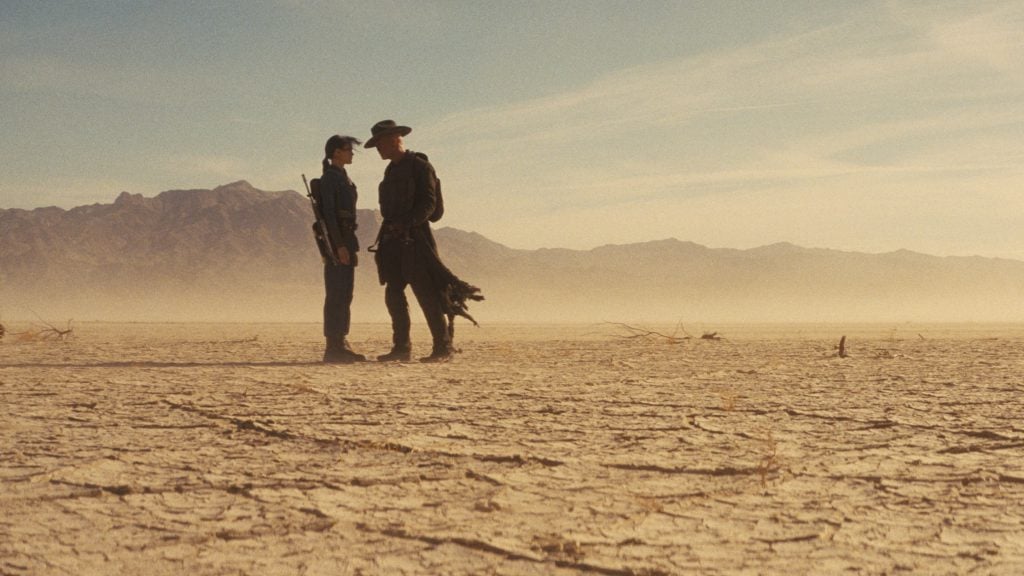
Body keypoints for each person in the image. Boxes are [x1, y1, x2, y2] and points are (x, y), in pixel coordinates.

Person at [365, 120, 452, 362]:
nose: (378, 149)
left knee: (426, 293)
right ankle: (401, 348)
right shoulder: (390, 171)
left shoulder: (420, 166)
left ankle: (443, 348)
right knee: (393, 293)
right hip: (391, 240)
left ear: (394, 140)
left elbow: (429, 204)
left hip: (416, 239)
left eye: (380, 143)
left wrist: (407, 224)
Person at [318, 134, 366, 363]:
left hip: (347, 239)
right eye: (348, 149)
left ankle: (340, 341)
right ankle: (334, 346)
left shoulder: (342, 177)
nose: (351, 153)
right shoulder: (330, 178)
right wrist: (338, 245)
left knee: (345, 292)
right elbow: (329, 215)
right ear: (336, 152)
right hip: (338, 242)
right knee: (337, 292)